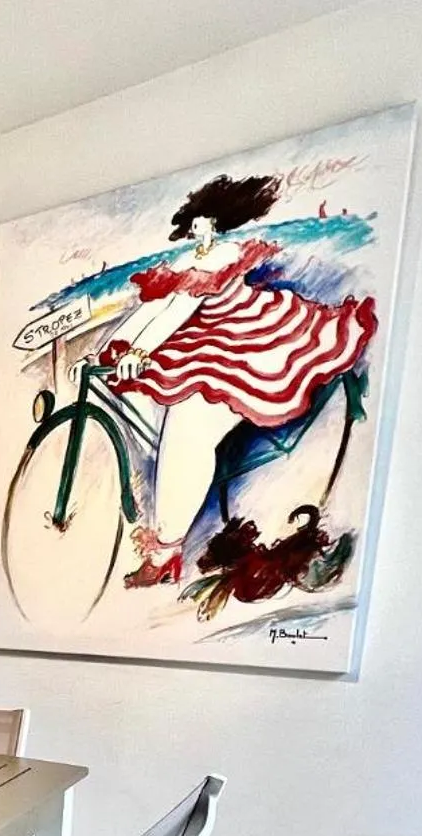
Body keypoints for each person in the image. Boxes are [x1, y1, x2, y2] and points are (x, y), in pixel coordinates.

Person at [95, 173, 376, 589]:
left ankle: (167, 550)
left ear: (216, 220)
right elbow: (159, 307)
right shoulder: (190, 259)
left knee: (186, 430)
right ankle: (168, 536)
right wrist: (121, 346)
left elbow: (175, 312)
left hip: (246, 333)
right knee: (158, 409)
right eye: (194, 222)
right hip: (206, 336)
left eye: (203, 220)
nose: (196, 228)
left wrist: (138, 352)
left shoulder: (220, 255)